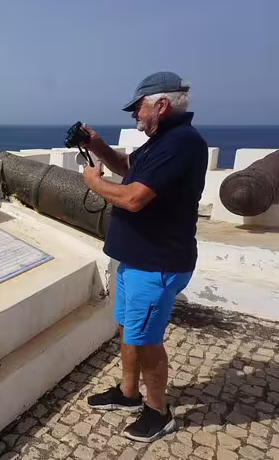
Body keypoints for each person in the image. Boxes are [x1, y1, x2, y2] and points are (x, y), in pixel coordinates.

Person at [80, 71, 208, 443]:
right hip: (137, 260)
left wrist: (95, 184)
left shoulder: (181, 143)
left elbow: (134, 198)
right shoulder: (162, 141)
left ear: (162, 105)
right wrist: (98, 145)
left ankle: (157, 411)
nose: (135, 117)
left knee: (147, 340)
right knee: (128, 330)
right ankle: (128, 393)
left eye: (139, 109)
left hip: (157, 264)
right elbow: (127, 167)